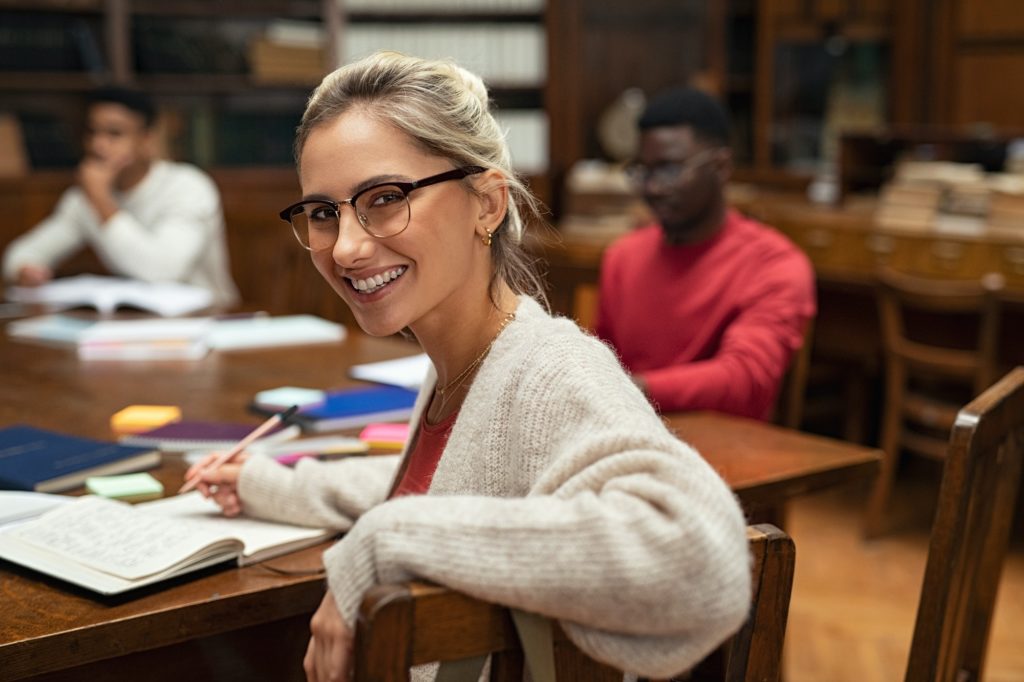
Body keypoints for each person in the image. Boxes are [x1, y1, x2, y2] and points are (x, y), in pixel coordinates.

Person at [188, 52, 750, 681]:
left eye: (385, 198)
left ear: (486, 204)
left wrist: (380, 541)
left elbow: (702, 558)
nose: (344, 246)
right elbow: (466, 487)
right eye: (324, 213)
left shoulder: (551, 371)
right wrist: (274, 484)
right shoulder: (463, 363)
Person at [595, 86, 816, 421]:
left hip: (728, 452)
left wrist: (628, 389)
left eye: (669, 169)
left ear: (721, 166)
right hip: (628, 436)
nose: (652, 187)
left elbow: (747, 382)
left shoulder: (774, 265)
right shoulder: (622, 257)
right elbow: (601, 362)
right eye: (643, 171)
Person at [1, 86, 239, 308]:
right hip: (132, 325)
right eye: (92, 132)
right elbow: (21, 255)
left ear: (147, 139)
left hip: (205, 320)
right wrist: (26, 270)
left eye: (115, 133)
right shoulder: (85, 198)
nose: (98, 145)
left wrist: (102, 201)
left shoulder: (188, 186)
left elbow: (161, 271)